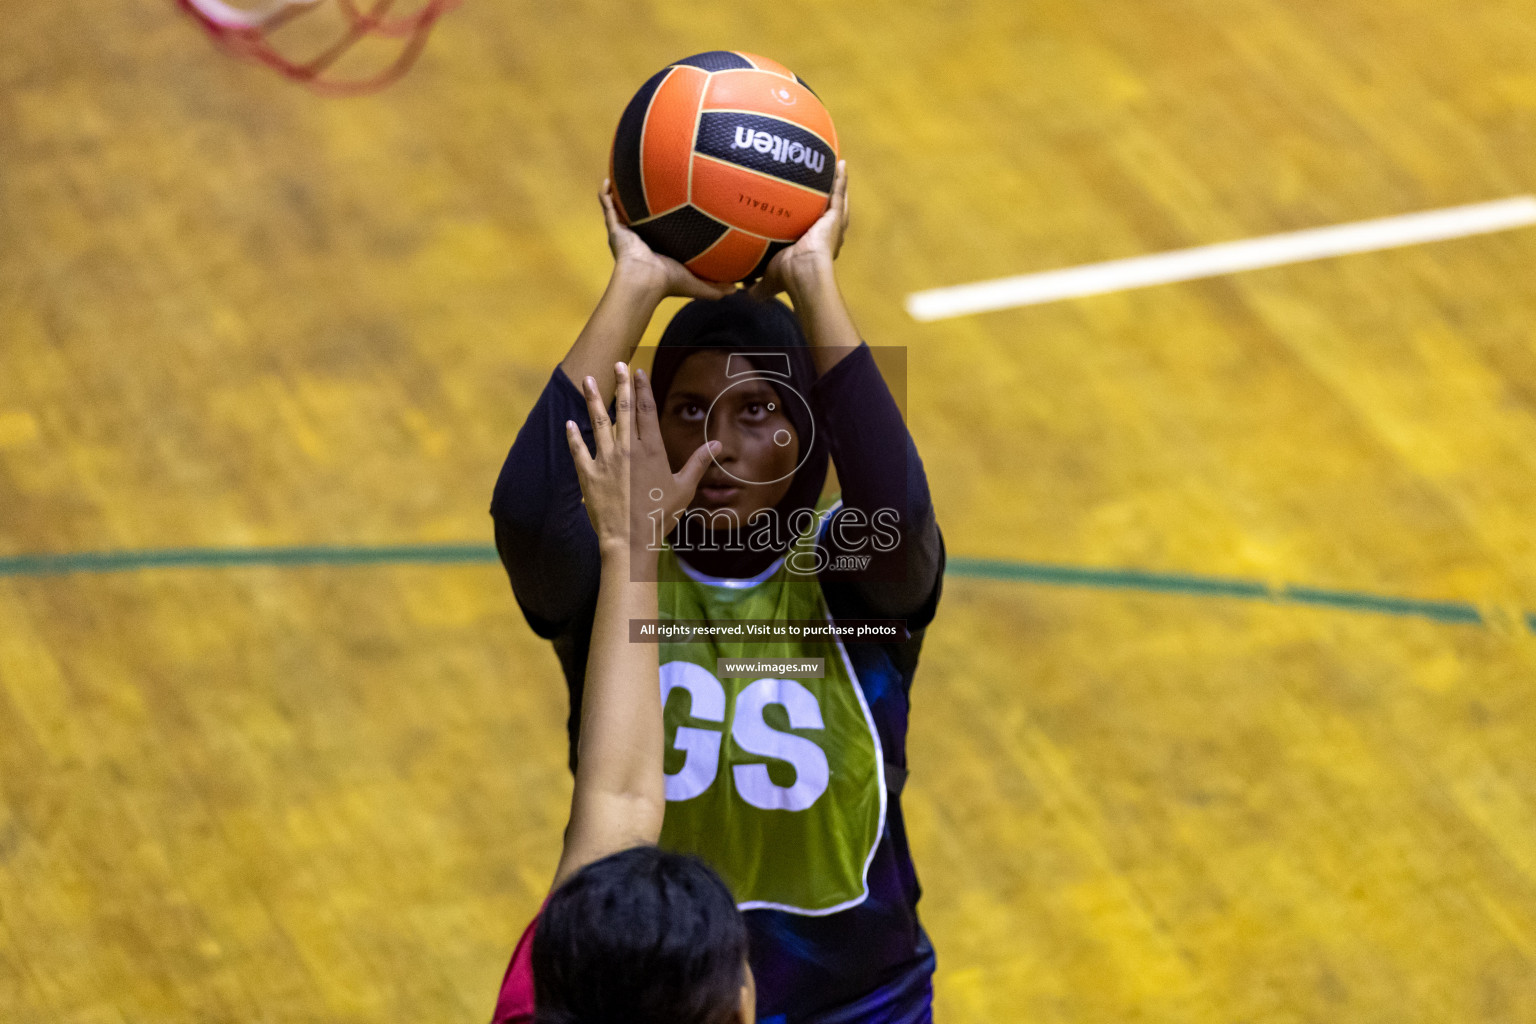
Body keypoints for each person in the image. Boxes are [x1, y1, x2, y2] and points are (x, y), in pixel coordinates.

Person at [492, 162, 946, 1023]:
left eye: (758, 409)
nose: (723, 443)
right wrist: (637, 284)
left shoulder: (847, 568)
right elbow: (526, 511)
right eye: (690, 410)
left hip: (857, 1002)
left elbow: (897, 504)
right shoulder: (614, 574)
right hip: (648, 1000)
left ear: (808, 428)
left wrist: (814, 282)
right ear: (647, 421)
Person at [493, 360, 756, 1024]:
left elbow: (623, 798)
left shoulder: (550, 999)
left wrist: (631, 545)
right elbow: (620, 798)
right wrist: (628, 544)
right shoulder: (533, 1002)